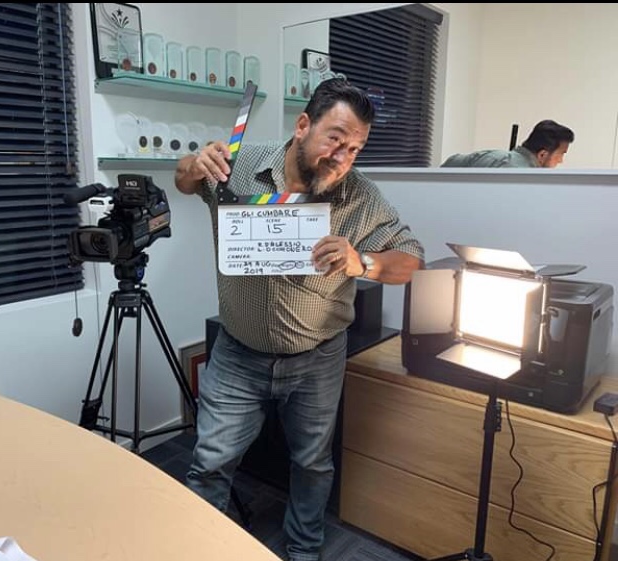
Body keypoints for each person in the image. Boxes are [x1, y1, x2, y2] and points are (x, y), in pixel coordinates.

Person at [173, 77, 425, 561]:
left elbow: (411, 260)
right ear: (303, 125)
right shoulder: (238, 164)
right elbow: (184, 180)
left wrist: (362, 262)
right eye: (335, 138)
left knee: (312, 464)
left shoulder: (360, 196)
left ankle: (304, 551)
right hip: (238, 351)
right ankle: (200, 549)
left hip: (317, 359)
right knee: (210, 460)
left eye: (355, 148)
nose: (342, 157)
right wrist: (193, 163)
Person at [440, 119, 575, 168]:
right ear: (542, 155)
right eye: (561, 154)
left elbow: (451, 162)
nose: (561, 161)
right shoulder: (525, 179)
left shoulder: (489, 155)